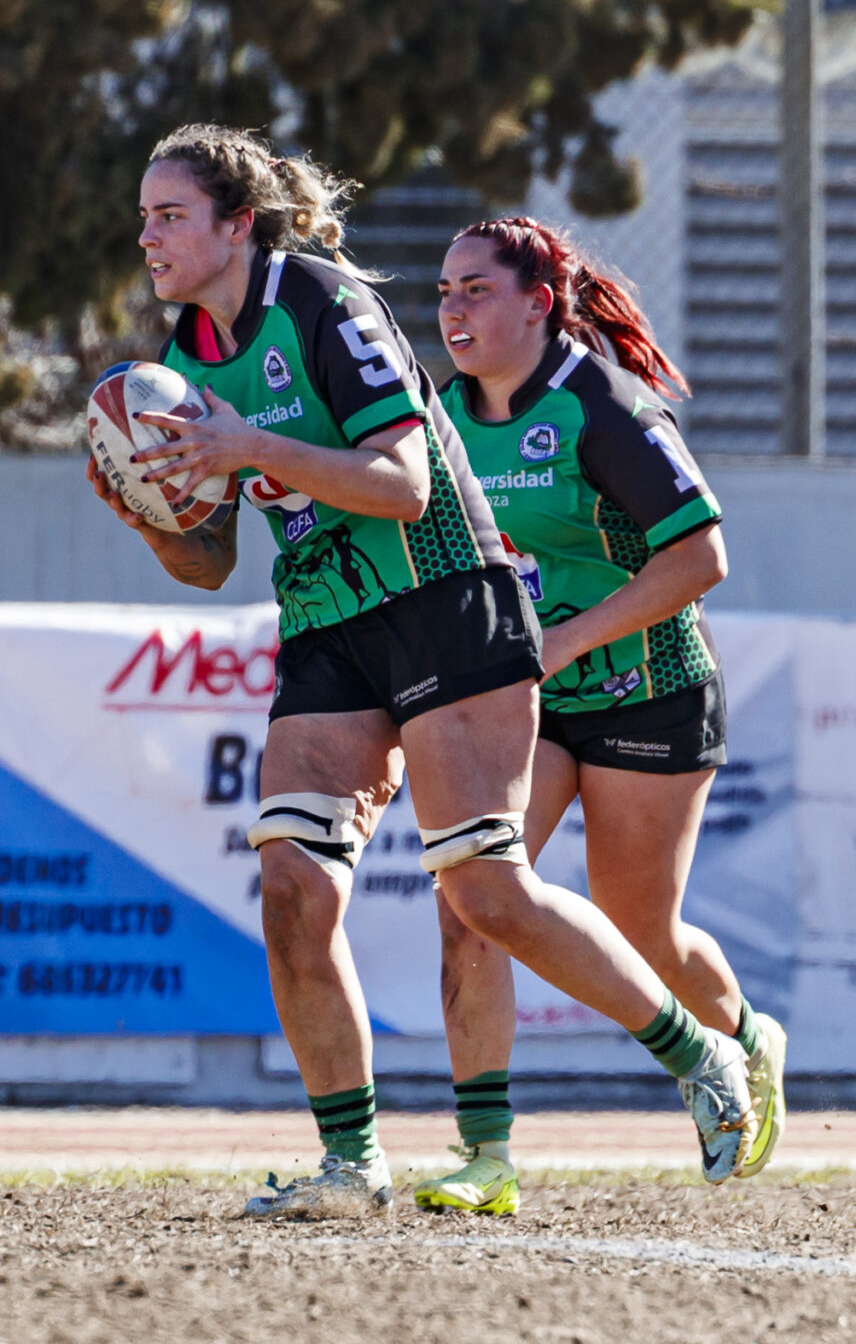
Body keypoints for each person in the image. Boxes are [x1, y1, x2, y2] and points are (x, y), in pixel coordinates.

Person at [93, 124, 756, 1218]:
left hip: (445, 598)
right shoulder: (187, 354)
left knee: (483, 889)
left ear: (237, 225)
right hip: (327, 619)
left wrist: (248, 449)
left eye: (170, 215)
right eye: (143, 217)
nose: (147, 237)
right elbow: (207, 563)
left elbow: (402, 485)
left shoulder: (321, 301)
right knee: (291, 885)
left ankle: (700, 1053)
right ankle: (352, 1163)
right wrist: (150, 511)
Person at [409, 217, 780, 1215]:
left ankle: (744, 1040)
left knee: (639, 932)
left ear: (538, 303)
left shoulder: (602, 403)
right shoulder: (438, 417)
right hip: (524, 700)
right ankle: (485, 1156)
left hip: (646, 690)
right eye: (444, 291)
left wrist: (566, 639)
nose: (452, 309)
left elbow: (700, 556)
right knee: (473, 898)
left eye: (476, 289)